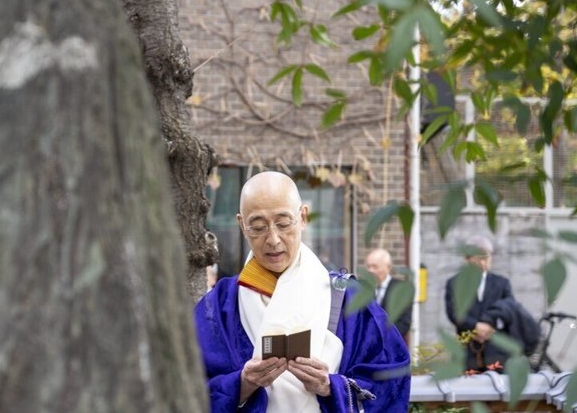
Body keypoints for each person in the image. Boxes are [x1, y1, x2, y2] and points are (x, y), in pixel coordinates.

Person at [194, 172, 410, 412]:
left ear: (303, 217)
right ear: (242, 226)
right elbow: (186, 385)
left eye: (284, 223)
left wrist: (331, 387)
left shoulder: (345, 296)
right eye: (258, 227)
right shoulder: (221, 305)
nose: (273, 239)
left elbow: (392, 376)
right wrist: (242, 384)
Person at [444, 237, 516, 372]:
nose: (483, 263)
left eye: (486, 259)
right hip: (466, 350)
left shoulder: (502, 283)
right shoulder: (454, 283)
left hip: (496, 350)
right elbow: (453, 312)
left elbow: (509, 309)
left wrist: (489, 326)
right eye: (478, 259)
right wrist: (475, 326)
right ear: (467, 259)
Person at [365, 248, 413, 340]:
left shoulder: (401, 289)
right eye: (368, 266)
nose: (370, 270)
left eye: (375, 267)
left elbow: (404, 323)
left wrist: (382, 338)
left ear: (388, 267)